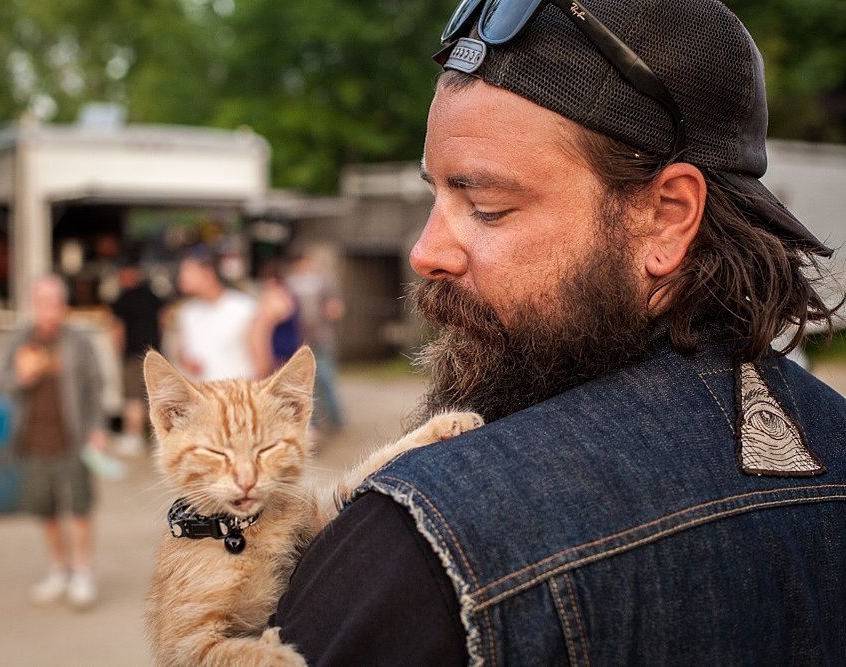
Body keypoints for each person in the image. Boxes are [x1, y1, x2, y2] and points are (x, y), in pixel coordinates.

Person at [271, 1, 846, 664]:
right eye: (436, 195)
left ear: (665, 216)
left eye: (486, 206)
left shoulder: (428, 545)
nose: (425, 251)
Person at [0, 275, 107, 609]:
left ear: (63, 305)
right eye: (43, 303)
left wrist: (98, 428)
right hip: (32, 440)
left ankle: (83, 572)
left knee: (79, 508)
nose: (49, 310)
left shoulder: (78, 342)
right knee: (45, 510)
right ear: (33, 305)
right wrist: (21, 378)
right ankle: (59, 569)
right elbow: (0, 381)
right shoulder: (19, 341)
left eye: (55, 303)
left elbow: (95, 386)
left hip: (72, 439)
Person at [174, 245, 258, 381]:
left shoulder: (245, 308)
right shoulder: (187, 312)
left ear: (208, 273)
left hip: (236, 394)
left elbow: (260, 359)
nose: (182, 277)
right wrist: (186, 362)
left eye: (188, 271)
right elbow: (182, 351)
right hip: (201, 393)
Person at [284, 247, 346, 432]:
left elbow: (335, 305)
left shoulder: (324, 279)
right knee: (308, 385)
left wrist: (333, 310)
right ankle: (315, 424)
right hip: (299, 340)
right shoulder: (289, 282)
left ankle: (336, 420)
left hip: (322, 338)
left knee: (326, 379)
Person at [109, 252, 164, 456]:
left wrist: (118, 352)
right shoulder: (152, 295)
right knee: (156, 399)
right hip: (156, 356)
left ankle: (133, 438)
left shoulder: (121, 299)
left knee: (132, 398)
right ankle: (158, 439)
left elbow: (117, 331)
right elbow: (163, 321)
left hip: (132, 355)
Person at [250, 258, 304, 378]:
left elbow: (261, 332)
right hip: (290, 349)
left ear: (271, 281)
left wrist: (262, 361)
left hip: (277, 355)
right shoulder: (289, 295)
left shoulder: (274, 298)